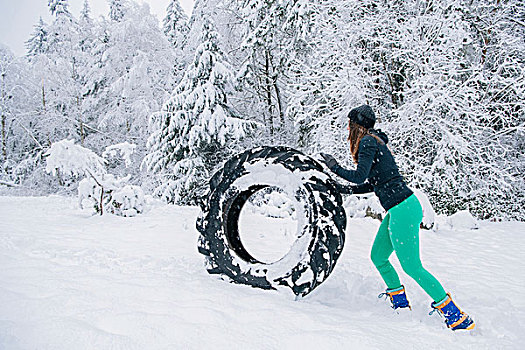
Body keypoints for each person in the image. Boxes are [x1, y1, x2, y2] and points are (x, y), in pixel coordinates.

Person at [320, 104, 475, 331]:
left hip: (403, 209)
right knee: (378, 256)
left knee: (412, 266)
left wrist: (333, 167)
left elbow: (359, 175)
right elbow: (374, 182)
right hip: (399, 208)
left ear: (355, 125)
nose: (348, 128)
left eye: (349, 124)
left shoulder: (368, 142)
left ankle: (455, 315)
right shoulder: (375, 142)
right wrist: (343, 189)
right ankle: (400, 302)